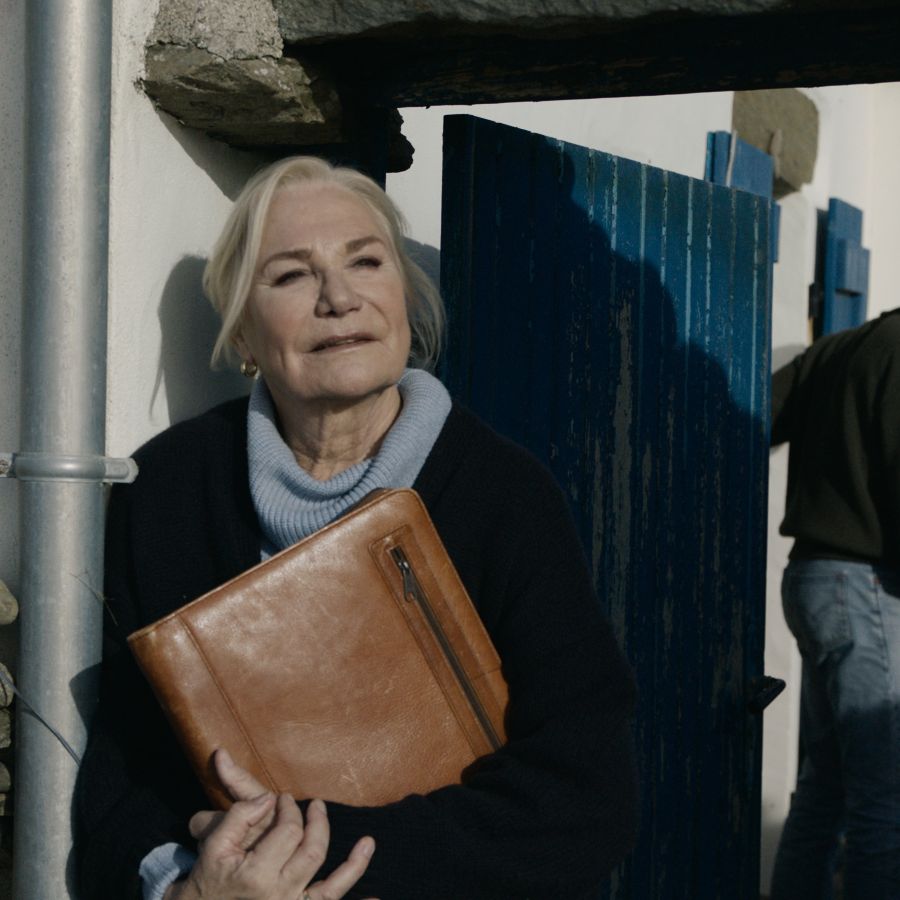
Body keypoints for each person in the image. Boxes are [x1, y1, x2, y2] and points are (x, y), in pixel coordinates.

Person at [74, 156, 639, 899]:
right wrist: (191, 888)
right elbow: (122, 769)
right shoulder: (169, 491)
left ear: (405, 296)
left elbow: (585, 791)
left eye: (365, 262)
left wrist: (316, 847)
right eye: (291, 275)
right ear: (243, 332)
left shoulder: (504, 496)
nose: (338, 298)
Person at [768, 308, 900, 900]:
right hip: (865, 587)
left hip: (813, 578)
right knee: (885, 799)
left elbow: (757, 411)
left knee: (826, 789)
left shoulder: (839, 348)